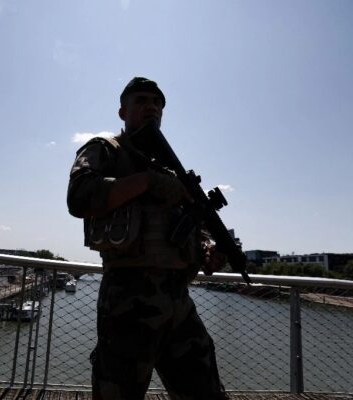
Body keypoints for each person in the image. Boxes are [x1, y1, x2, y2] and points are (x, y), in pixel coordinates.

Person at [67, 77, 229, 400]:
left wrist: (209, 249)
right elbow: (79, 196)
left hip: (179, 305)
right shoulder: (105, 150)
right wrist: (145, 182)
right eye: (141, 101)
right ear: (122, 111)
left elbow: (195, 229)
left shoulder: (172, 172)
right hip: (127, 303)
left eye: (158, 103)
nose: (151, 107)